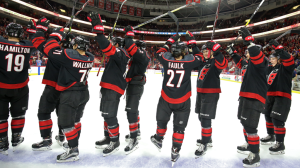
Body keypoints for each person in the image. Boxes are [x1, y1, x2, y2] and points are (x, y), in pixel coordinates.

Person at [31, 17, 93, 162]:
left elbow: (42, 44)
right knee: (72, 118)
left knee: (56, 115)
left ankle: (66, 145)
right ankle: (67, 140)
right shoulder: (87, 56)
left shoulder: (63, 53)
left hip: (62, 87)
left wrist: (44, 31)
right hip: (77, 89)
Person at [150, 32, 202, 166]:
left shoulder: (166, 58)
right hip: (183, 100)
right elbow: (200, 57)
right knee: (179, 128)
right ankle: (175, 150)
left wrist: (171, 40)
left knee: (161, 121)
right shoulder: (189, 60)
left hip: (166, 98)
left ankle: (159, 139)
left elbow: (159, 52)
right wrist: (191, 41)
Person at [87, 12, 131, 156]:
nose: (112, 43)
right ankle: (108, 137)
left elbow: (107, 48)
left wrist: (99, 31)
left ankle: (114, 140)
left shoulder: (121, 52)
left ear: (118, 44)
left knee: (110, 115)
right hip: (108, 87)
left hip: (113, 89)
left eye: (113, 42)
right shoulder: (119, 53)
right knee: (106, 114)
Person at [29, 19, 75, 151]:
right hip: (68, 89)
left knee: (43, 112)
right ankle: (61, 136)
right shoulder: (76, 55)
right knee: (63, 114)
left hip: (52, 87)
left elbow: (37, 41)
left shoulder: (55, 51)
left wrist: (41, 30)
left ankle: (46, 139)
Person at [226, 27, 268, 167]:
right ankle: (250, 144)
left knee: (250, 127)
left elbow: (256, 56)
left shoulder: (262, 62)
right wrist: (232, 52)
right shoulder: (249, 64)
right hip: (245, 97)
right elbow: (240, 62)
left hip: (254, 98)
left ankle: (255, 155)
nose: (247, 53)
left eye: (249, 51)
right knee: (244, 122)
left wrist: (249, 40)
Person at [191, 32, 228, 157]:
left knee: (206, 118)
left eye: (207, 51)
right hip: (200, 93)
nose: (205, 53)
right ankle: (208, 139)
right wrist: (191, 40)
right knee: (201, 117)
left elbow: (223, 63)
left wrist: (216, 49)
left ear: (212, 52)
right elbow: (196, 52)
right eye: (204, 52)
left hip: (210, 94)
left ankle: (205, 143)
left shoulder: (215, 62)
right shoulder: (203, 62)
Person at [0, 22, 34, 155]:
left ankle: (2, 142)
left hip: (1, 86)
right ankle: (16, 138)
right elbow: (34, 41)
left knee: (1, 116)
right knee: (19, 114)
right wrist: (32, 31)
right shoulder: (28, 46)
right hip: (21, 87)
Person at [260, 39, 295, 155]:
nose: (271, 60)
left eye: (273, 58)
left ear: (279, 59)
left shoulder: (285, 68)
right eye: (270, 58)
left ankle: (280, 144)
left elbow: (289, 60)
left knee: (277, 119)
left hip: (282, 96)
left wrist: (277, 47)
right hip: (269, 96)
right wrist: (258, 52)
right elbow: (261, 64)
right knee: (268, 116)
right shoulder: (270, 68)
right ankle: (271, 136)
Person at [123, 31, 150, 154]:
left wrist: (129, 34)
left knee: (131, 110)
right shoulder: (139, 57)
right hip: (133, 84)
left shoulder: (142, 55)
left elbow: (130, 46)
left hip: (136, 85)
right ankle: (137, 131)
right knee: (133, 109)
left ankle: (134, 139)